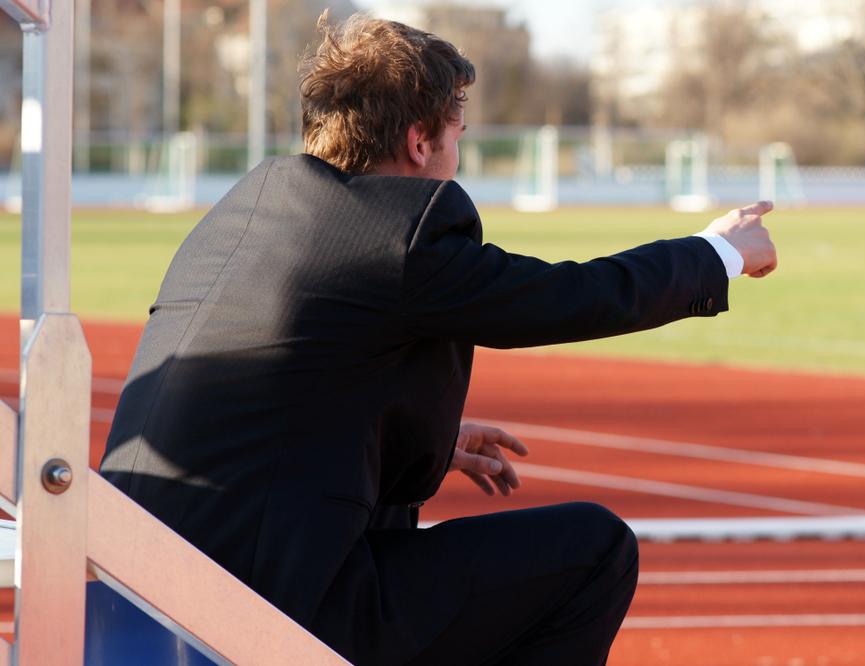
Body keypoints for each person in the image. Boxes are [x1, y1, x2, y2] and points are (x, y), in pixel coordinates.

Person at [100, 12, 776, 666]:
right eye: (458, 137)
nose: (457, 161)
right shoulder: (400, 238)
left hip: (139, 578)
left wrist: (433, 446)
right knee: (594, 550)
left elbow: (275, 393)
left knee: (399, 517)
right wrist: (718, 252)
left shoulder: (248, 210)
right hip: (260, 608)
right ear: (421, 141)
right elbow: (569, 298)